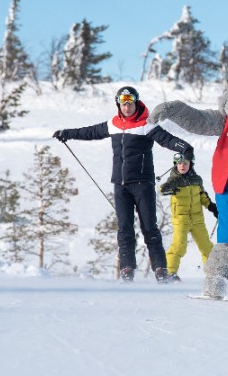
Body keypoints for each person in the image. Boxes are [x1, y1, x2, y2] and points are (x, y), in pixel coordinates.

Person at [52, 86, 193, 283]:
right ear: (119, 104)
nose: (127, 107)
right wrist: (67, 133)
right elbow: (90, 131)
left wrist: (184, 148)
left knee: (149, 228)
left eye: (130, 103)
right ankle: (127, 269)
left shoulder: (147, 124)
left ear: (136, 103)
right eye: (124, 103)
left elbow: (167, 140)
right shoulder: (114, 124)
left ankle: (161, 270)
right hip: (120, 185)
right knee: (124, 228)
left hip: (143, 184)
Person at [158, 152, 218, 283]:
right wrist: (167, 187)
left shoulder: (196, 179)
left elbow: (202, 196)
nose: (182, 166)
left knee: (206, 246)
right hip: (181, 218)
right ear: (175, 164)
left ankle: (213, 275)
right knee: (179, 245)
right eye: (179, 163)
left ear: (191, 164)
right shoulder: (174, 180)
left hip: (197, 218)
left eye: (185, 163)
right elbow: (162, 190)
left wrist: (212, 207)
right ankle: (170, 272)